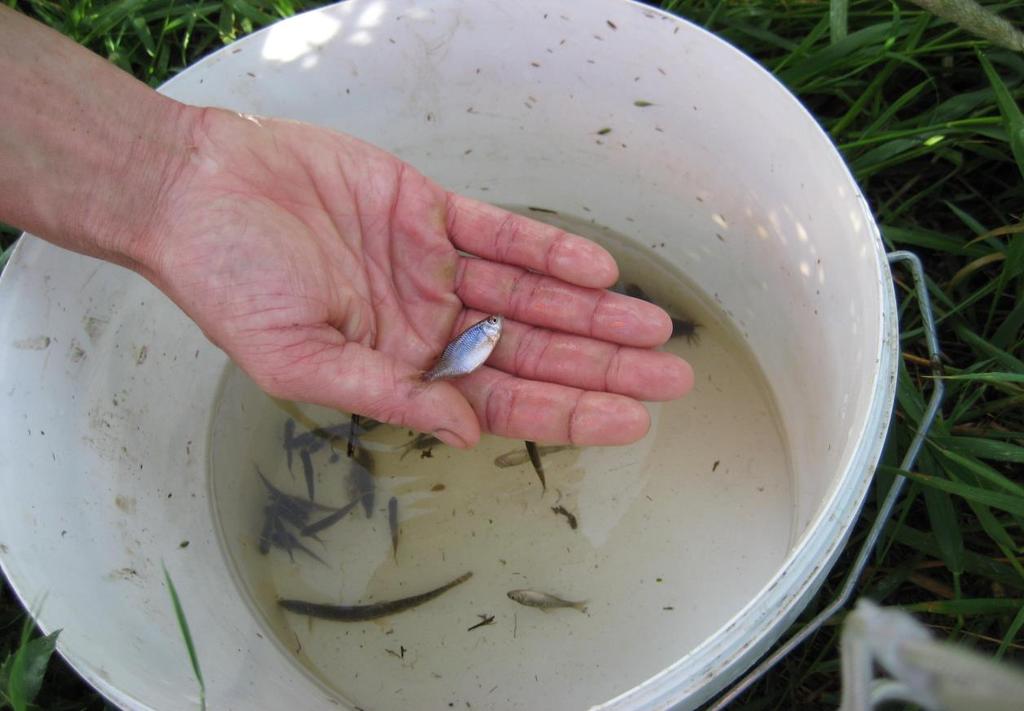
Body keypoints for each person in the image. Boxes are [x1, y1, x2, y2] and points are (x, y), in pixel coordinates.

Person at [0, 7, 693, 448]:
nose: (492, 330)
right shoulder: (470, 332)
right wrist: (165, 186)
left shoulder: (472, 332)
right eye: (489, 332)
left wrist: (165, 174)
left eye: (490, 332)